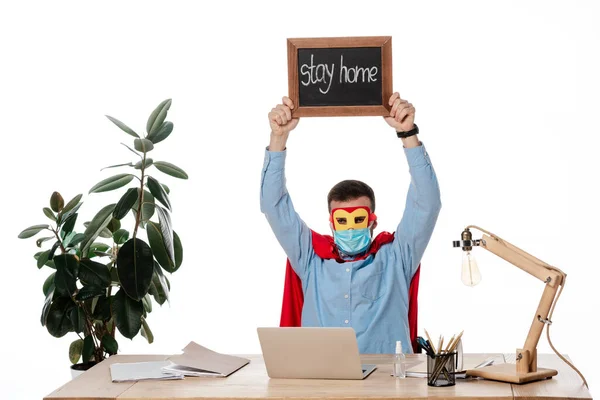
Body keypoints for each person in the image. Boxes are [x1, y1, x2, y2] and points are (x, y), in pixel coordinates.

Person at [260, 92, 441, 354]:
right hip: (322, 383)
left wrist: (408, 134)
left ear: (372, 222)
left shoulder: (398, 257)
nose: (351, 227)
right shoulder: (310, 259)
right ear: (331, 224)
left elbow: (427, 203)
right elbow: (273, 206)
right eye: (342, 221)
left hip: (387, 385)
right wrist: (279, 137)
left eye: (358, 219)